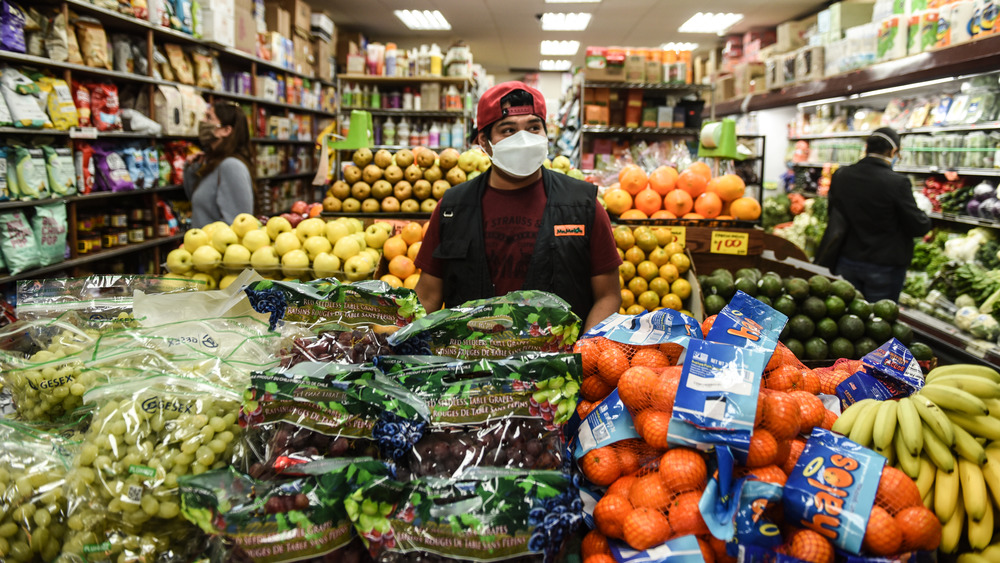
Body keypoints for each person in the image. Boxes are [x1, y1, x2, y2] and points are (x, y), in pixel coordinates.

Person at [414, 81, 622, 331]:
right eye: (508, 130)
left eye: (534, 127)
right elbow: (427, 296)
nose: (524, 139)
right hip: (472, 363)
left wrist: (586, 351)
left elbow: (608, 295)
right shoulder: (452, 208)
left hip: (559, 364)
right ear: (484, 142)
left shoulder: (583, 204)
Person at [827, 127, 931, 302]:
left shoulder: (841, 175)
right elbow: (918, 226)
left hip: (846, 259)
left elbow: (833, 215)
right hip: (884, 266)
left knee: (847, 315)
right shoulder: (897, 182)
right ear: (893, 151)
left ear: (866, 148)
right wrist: (925, 216)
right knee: (879, 321)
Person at [184, 101, 255, 227]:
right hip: (202, 245)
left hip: (214, 246)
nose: (203, 121)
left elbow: (238, 224)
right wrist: (192, 170)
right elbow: (202, 208)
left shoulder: (231, 166)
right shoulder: (214, 162)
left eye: (209, 118)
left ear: (226, 130)